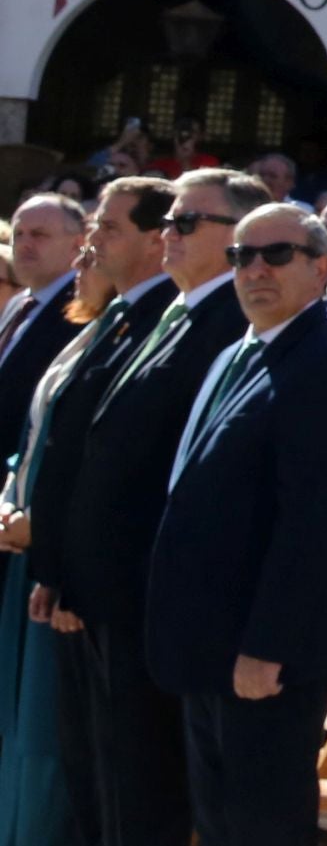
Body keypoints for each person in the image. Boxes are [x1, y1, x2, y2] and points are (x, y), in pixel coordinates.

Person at [148, 203, 327, 846]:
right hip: (211, 637)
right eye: (241, 256)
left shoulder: (324, 366)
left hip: (265, 649)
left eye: (277, 255)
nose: (256, 270)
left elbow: (311, 524)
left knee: (261, 823)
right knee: (219, 821)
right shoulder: (242, 353)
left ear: (322, 268)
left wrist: (266, 645)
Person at [58, 169, 264, 845]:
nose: (167, 234)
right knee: (108, 778)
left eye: (185, 222)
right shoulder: (177, 312)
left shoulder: (227, 322)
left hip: (153, 593)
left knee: (145, 789)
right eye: (169, 220)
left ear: (237, 236)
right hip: (112, 589)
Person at [19, 176, 174, 846]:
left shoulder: (164, 318)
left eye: (108, 227)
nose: (93, 240)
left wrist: (70, 568)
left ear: (154, 238)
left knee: (122, 778)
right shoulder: (122, 316)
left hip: (116, 587)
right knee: (88, 767)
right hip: (66, 569)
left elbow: (124, 468)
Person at [0, 244, 108, 846]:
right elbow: (34, 440)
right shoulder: (83, 332)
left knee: (47, 726)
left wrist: (44, 523)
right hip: (30, 544)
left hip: (64, 548)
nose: (84, 258)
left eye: (100, 241)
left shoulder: (119, 339)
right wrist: (11, 499)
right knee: (20, 718)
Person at [0, 196, 85, 457]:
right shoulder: (18, 304)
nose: (25, 243)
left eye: (39, 235)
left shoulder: (84, 308)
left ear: (78, 244)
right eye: (19, 234)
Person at [150, 118, 218, 179]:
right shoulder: (159, 165)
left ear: (200, 136)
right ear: (174, 134)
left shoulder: (209, 162)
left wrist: (186, 162)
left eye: (191, 132)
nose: (185, 135)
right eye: (181, 131)